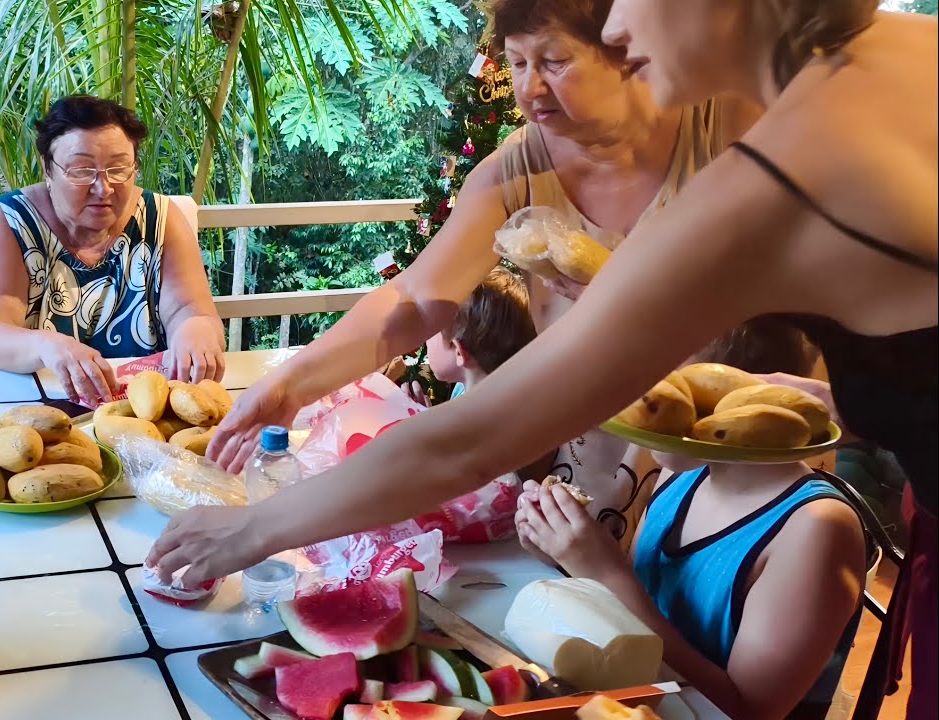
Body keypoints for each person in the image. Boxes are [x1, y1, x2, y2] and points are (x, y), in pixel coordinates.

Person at [149, 2, 935, 716]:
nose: (618, 27)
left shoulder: (766, 173)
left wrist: (253, 528)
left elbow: (472, 437)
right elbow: (419, 303)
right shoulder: (897, 56)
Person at [207, 0, 761, 540]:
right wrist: (290, 384)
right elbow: (416, 300)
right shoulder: (515, 169)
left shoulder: (730, 125)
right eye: (518, 62)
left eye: (554, 61)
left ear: (625, 47)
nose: (530, 88)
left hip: (744, 447)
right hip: (600, 459)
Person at [516, 320, 867, 719]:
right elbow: (643, 607)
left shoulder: (815, 530)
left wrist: (605, 573)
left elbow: (748, 710)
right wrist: (562, 548)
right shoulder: (684, 473)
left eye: (673, 401)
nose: (642, 416)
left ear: (741, 407)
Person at [0, 95, 225, 406]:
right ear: (48, 168)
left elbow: (190, 311)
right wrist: (47, 347)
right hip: (34, 409)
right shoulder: (11, 221)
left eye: (118, 169)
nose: (104, 188)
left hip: (143, 410)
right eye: (82, 170)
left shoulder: (160, 218)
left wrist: (196, 331)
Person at [405, 266, 538, 406]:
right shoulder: (464, 389)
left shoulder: (474, 419)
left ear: (458, 352)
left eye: (432, 331)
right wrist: (425, 414)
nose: (425, 339)